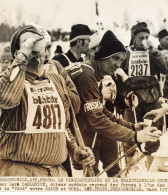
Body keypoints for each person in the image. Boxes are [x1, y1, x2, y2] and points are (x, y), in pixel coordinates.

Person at [0, 25, 95, 177]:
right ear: (18, 53)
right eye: (29, 49)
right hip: (21, 172)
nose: (37, 55)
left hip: (56, 172)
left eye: (40, 48)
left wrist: (74, 149)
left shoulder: (55, 79)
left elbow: (62, 125)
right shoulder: (8, 80)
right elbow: (5, 98)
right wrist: (13, 139)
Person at [68, 30, 162, 176]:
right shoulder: (86, 75)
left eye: (121, 61)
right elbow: (96, 119)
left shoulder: (90, 73)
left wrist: (132, 126)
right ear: (102, 56)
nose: (118, 65)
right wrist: (134, 136)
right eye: (115, 59)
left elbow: (101, 110)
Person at [115, 22, 168, 169]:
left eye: (147, 37)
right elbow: (118, 74)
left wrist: (156, 52)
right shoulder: (126, 53)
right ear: (134, 38)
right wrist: (122, 98)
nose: (144, 40)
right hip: (132, 99)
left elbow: (165, 69)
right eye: (141, 37)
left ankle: (150, 168)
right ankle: (130, 169)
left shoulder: (152, 53)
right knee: (131, 134)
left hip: (151, 100)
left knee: (152, 136)